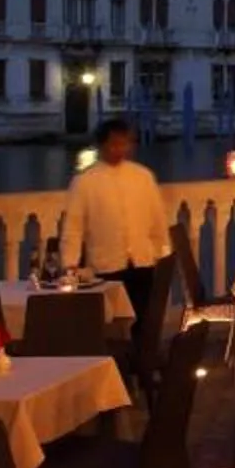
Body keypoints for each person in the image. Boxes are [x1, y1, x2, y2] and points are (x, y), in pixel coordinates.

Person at [65, 117, 169, 336]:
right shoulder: (85, 182)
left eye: (125, 143)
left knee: (143, 317)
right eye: (114, 144)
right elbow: (74, 226)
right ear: (102, 145)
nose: (120, 149)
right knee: (111, 323)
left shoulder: (142, 176)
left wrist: (161, 252)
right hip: (106, 264)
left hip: (142, 260)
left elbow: (157, 217)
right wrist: (70, 263)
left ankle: (141, 363)